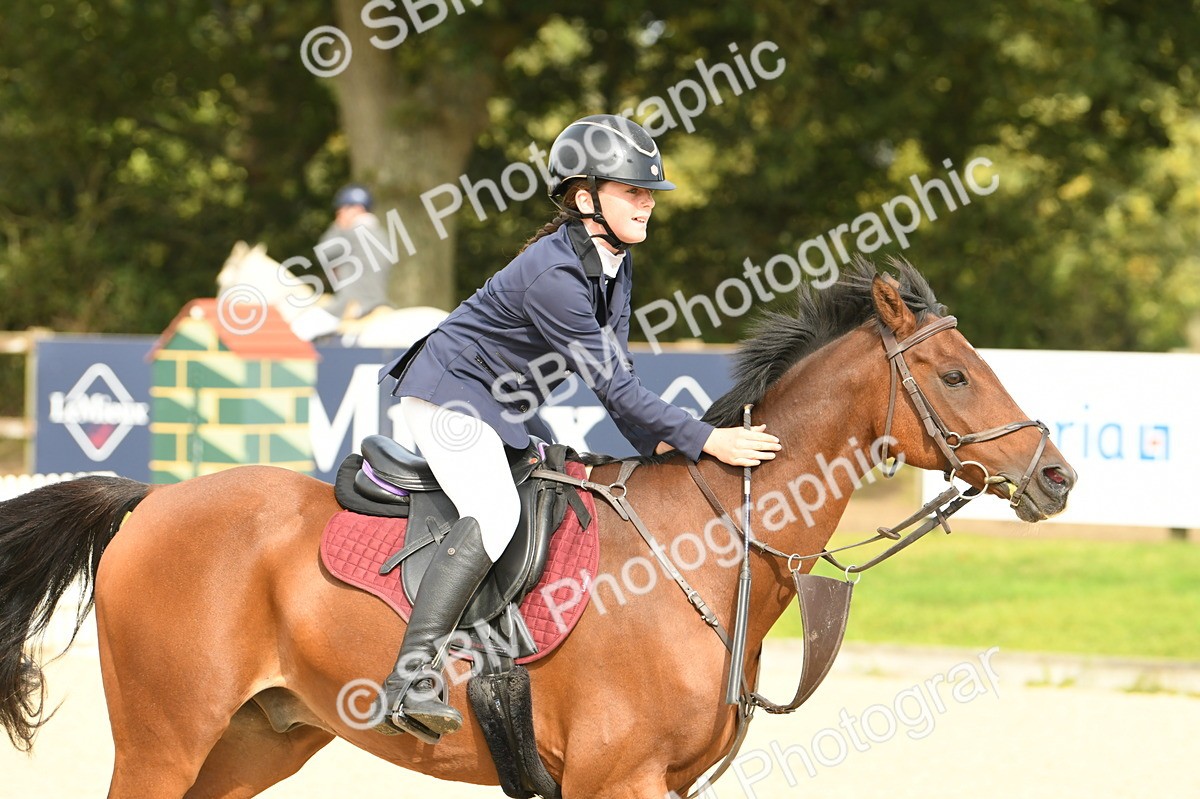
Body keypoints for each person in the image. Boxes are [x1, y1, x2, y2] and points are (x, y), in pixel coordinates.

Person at [373, 114, 781, 736]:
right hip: (449, 395)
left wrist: (665, 444)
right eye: (632, 191)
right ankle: (411, 676)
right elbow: (614, 385)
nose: (647, 203)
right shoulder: (555, 274)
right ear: (585, 198)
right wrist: (708, 438)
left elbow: (619, 383)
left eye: (649, 192)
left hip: (499, 405)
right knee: (496, 509)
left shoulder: (613, 264)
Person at [318, 183, 393, 320]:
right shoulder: (381, 233)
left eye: (342, 211)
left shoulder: (351, 233)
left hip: (352, 305)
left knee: (301, 328)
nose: (338, 214)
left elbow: (324, 253)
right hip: (378, 302)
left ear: (357, 209)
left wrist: (338, 226)